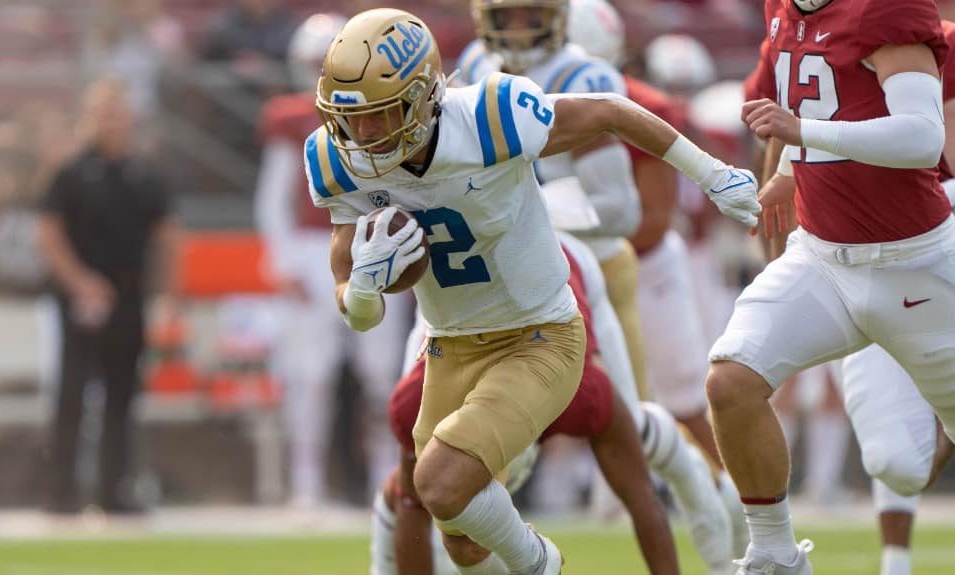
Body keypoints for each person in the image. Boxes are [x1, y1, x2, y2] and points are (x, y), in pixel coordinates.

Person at [306, 8, 758, 573]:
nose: (364, 135)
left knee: (439, 481)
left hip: (537, 334)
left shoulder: (491, 116)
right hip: (448, 345)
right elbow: (352, 294)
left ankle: (541, 564)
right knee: (463, 542)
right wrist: (366, 293)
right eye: (352, 119)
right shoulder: (337, 156)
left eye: (379, 115)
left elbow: (609, 113)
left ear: (422, 97)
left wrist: (714, 175)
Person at [458, 0, 745, 569]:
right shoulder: (471, 65)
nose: (516, 28)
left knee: (626, 421)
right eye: (505, 15)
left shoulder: (583, 78)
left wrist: (536, 217)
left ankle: (714, 498)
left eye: (528, 14)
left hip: (587, 264)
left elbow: (621, 211)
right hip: (497, 273)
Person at [709, 0, 955, 573]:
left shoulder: (884, 10)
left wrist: (802, 133)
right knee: (730, 381)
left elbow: (923, 139)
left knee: (905, 460)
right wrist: (788, 172)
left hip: (913, 264)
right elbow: (820, 101)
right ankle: (774, 553)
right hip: (822, 259)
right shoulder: (785, 9)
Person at [372, 186, 682, 575]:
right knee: (429, 502)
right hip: (452, 331)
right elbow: (408, 505)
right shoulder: (412, 400)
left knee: (645, 435)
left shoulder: (585, 395)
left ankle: (735, 536)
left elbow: (643, 498)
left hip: (560, 308)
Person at [254, 12, 412, 508]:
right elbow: (272, 197)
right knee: (310, 376)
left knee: (381, 374)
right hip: (310, 248)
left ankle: (384, 478)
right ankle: (306, 483)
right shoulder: (290, 116)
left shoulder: (385, 112)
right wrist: (281, 263)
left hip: (371, 242)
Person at [38, 78, 177, 514]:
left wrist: (169, 294)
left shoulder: (145, 174)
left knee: (122, 397)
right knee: (72, 395)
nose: (111, 121)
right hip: (81, 302)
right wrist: (79, 281)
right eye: (103, 112)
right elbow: (47, 235)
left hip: (129, 297)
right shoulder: (71, 173)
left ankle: (113, 491)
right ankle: (61, 492)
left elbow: (168, 238)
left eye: (117, 112)